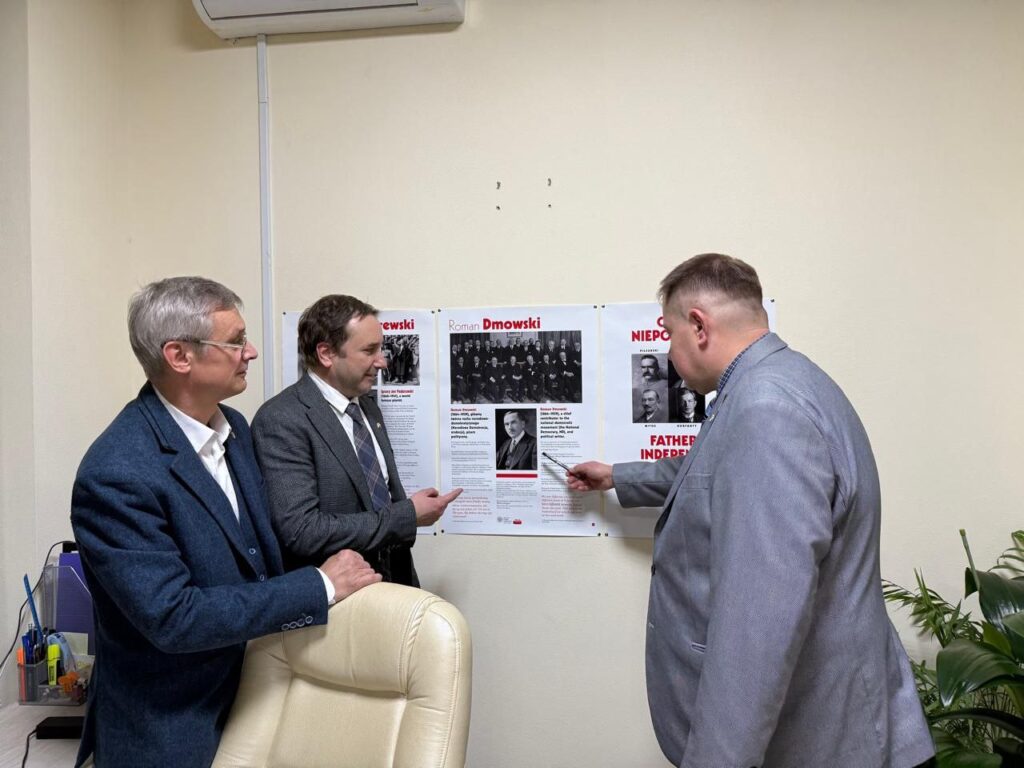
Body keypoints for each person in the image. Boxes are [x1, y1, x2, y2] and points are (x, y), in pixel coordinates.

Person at [567, 254, 933, 768]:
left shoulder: (766, 409)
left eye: (669, 334)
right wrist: (618, 477)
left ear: (699, 326)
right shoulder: (786, 380)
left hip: (821, 738)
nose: (668, 352)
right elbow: (718, 473)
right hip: (843, 720)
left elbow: (757, 630)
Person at [70, 277, 382, 768]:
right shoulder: (116, 472)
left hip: (257, 698)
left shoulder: (233, 426)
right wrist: (319, 586)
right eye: (235, 341)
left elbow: (256, 557)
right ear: (179, 356)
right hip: (174, 729)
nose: (250, 352)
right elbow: (175, 618)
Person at [252, 295, 461, 586]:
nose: (382, 361)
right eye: (369, 350)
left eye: (381, 349)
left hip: (395, 584)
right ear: (326, 354)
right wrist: (408, 515)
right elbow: (302, 531)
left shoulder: (368, 408)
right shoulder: (282, 419)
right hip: (342, 600)